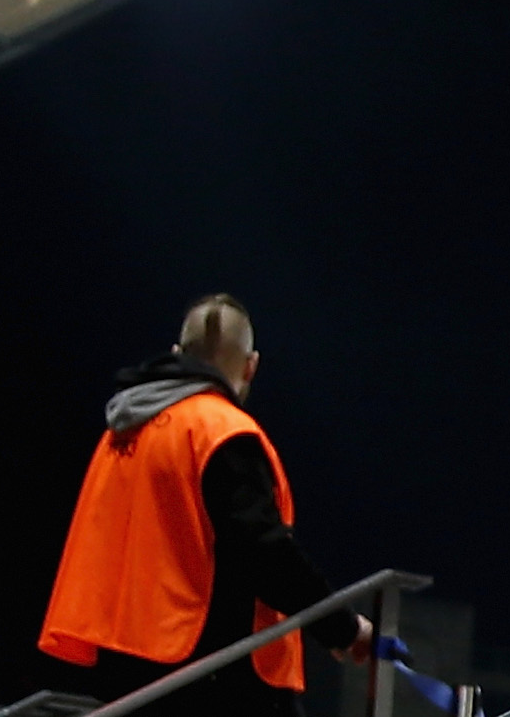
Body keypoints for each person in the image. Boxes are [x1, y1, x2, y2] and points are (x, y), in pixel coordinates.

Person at [41, 294, 373, 714]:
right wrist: (343, 628)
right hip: (210, 673)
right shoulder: (221, 430)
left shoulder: (121, 433)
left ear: (178, 354)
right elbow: (266, 553)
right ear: (251, 366)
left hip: (124, 670)